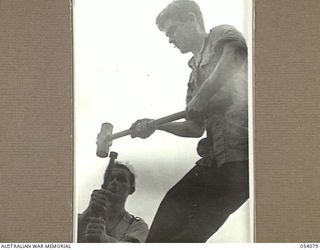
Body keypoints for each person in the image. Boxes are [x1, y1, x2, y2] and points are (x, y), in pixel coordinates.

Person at [130, 0, 249, 242]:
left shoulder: (220, 35)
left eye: (172, 30)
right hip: (214, 161)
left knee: (192, 235)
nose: (170, 39)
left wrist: (203, 97)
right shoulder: (193, 76)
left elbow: (235, 53)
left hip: (243, 161)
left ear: (192, 19)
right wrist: (156, 125)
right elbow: (195, 128)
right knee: (167, 217)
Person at [77, 162, 149, 243]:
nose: (114, 182)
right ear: (104, 186)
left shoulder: (137, 226)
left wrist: (104, 239)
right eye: (110, 178)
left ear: (131, 190)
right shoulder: (82, 219)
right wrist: (88, 211)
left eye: (121, 179)